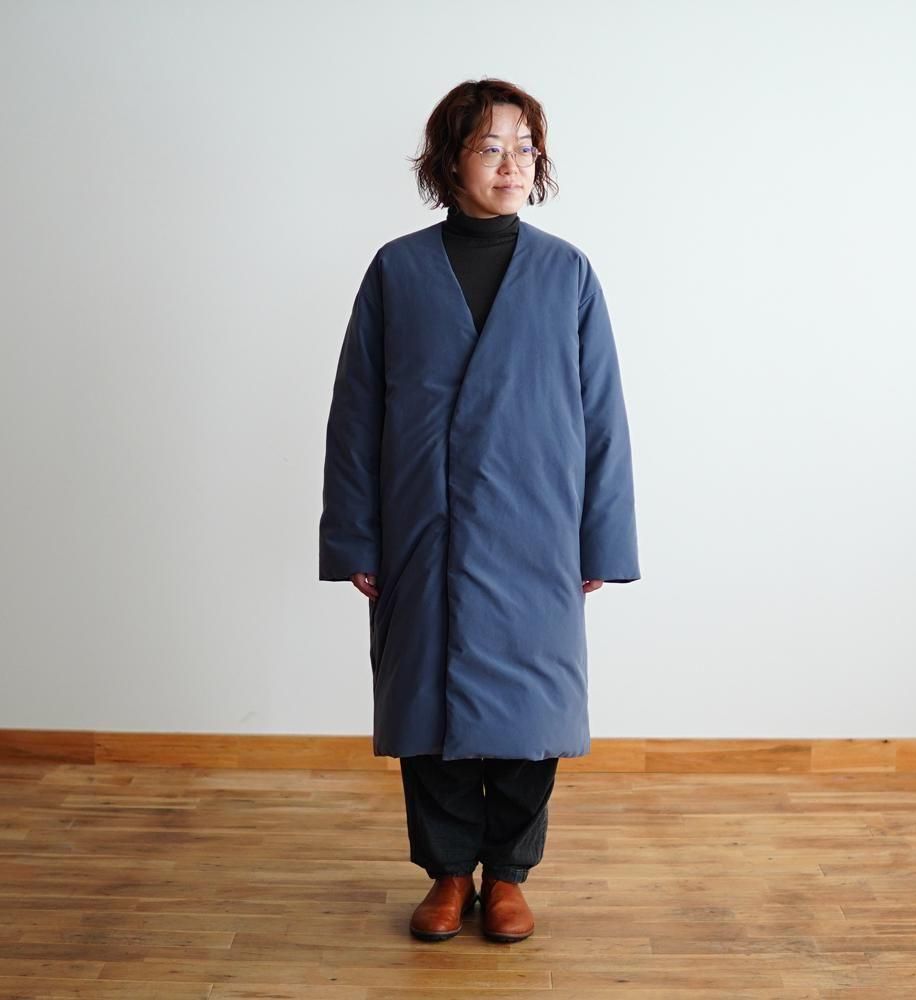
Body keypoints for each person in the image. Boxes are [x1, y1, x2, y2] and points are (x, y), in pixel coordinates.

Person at [319, 78, 640, 943]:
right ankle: (448, 873)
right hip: (423, 527)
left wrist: (602, 541)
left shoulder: (567, 273)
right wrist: (355, 536)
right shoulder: (397, 271)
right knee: (429, 707)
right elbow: (356, 415)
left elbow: (603, 417)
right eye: (491, 147)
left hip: (538, 529)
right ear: (449, 161)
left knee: (533, 714)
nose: (512, 165)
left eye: (525, 148)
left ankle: (509, 874)